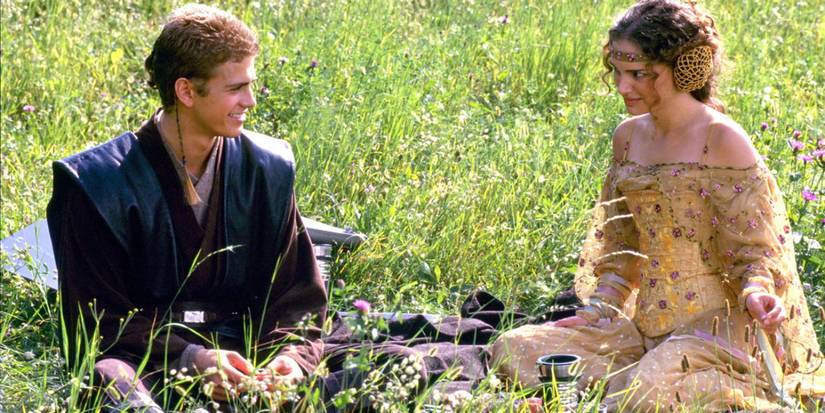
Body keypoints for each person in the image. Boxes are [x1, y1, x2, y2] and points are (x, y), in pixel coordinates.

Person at [491, 0, 824, 411]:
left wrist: (757, 292)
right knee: (513, 347)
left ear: (684, 68)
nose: (622, 86)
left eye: (638, 74)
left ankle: (664, 387)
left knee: (642, 392)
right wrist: (599, 310)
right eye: (617, 71)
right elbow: (621, 249)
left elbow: (756, 253)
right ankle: (638, 386)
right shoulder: (627, 138)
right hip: (643, 329)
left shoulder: (722, 140)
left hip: (715, 333)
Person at [47, 4, 326, 411]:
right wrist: (192, 359)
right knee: (112, 382)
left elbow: (296, 296)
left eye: (251, 85)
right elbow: (98, 319)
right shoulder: (96, 184)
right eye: (235, 88)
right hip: (149, 359)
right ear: (186, 91)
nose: (250, 100)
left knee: (391, 365)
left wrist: (288, 361)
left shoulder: (266, 168)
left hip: (246, 358)